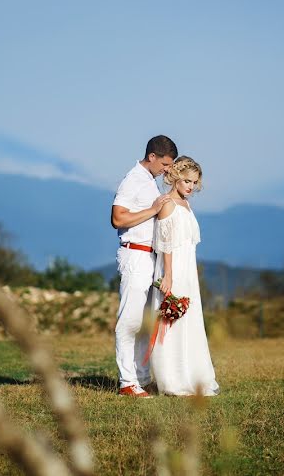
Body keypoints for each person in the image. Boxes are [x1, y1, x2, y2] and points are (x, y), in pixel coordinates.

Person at [111, 135, 178, 397]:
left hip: (149, 258)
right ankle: (126, 382)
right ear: (152, 157)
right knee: (129, 320)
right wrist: (152, 210)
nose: (167, 170)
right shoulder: (133, 180)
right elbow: (118, 218)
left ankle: (140, 376)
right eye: (165, 164)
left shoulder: (148, 181)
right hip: (135, 256)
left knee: (144, 322)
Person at [149, 156, 219, 396]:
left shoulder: (187, 205)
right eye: (187, 181)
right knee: (171, 320)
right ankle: (170, 378)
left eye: (194, 182)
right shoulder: (167, 203)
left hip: (188, 268)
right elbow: (166, 243)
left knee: (189, 320)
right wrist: (168, 276)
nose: (190, 186)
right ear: (176, 178)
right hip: (173, 268)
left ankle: (191, 372)